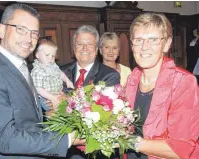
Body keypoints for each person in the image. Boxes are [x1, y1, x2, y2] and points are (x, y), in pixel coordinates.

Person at [0, 3, 84, 159]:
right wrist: (68, 139)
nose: (29, 39)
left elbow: (29, 123)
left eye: (34, 33)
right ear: (2, 30)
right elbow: (7, 139)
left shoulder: (23, 67)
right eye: (21, 30)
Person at [125, 12, 199, 159]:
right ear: (132, 44)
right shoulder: (132, 79)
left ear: (166, 44)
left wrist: (127, 141)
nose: (144, 47)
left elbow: (179, 149)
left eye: (153, 40)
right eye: (138, 40)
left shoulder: (183, 82)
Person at [60, 25, 120, 159]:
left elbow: (103, 116)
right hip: (64, 151)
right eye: (80, 44)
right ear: (74, 47)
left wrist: (63, 101)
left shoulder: (109, 75)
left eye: (89, 44)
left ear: (96, 49)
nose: (84, 48)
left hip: (95, 151)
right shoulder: (59, 72)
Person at [31, 38, 74, 111]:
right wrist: (52, 97)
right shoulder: (37, 71)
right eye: (47, 55)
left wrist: (67, 80)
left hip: (57, 93)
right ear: (37, 55)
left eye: (53, 56)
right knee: (56, 110)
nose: (50, 58)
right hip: (45, 98)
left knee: (66, 104)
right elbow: (38, 89)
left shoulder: (53, 66)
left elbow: (60, 73)